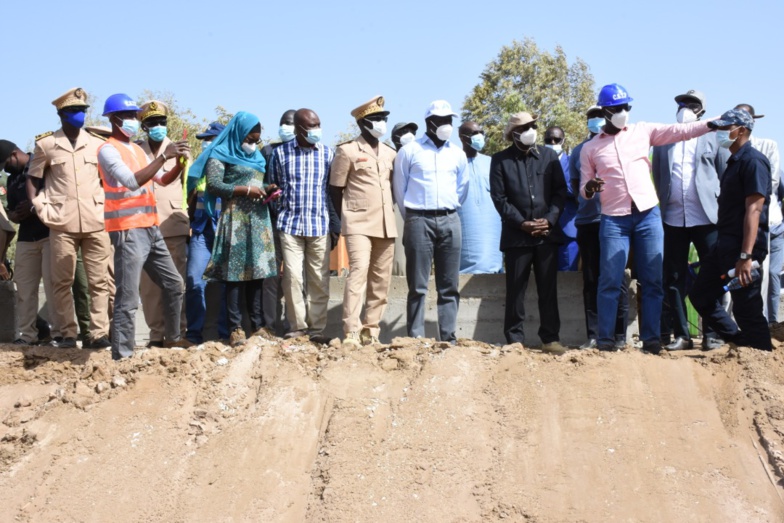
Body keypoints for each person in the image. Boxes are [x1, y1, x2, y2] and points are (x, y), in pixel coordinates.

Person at [580, 83, 716, 354]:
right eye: (618, 108)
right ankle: (606, 340)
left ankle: (652, 340)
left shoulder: (643, 131)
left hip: (648, 216)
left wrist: (715, 123)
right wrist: (590, 188)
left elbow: (682, 131)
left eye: (627, 107)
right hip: (614, 220)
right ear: (605, 111)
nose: (624, 112)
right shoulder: (590, 149)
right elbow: (583, 190)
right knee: (610, 280)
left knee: (653, 280)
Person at [96, 93, 191, 360]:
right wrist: (163, 157)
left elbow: (161, 180)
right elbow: (130, 181)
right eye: (127, 116)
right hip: (127, 230)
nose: (133, 121)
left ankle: (172, 339)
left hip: (150, 228)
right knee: (127, 297)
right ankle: (123, 356)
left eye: (133, 116)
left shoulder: (137, 150)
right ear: (114, 119)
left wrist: (178, 163)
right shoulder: (108, 150)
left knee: (173, 284)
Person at [28, 88, 112, 349]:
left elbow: (106, 180)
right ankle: (66, 333)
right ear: (61, 114)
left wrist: (106, 206)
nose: (79, 115)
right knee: (61, 281)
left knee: (99, 281)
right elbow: (33, 178)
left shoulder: (98, 144)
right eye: (73, 111)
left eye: (82, 111)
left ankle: (99, 334)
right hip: (62, 222)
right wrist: (39, 205)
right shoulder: (46, 144)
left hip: (96, 220)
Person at [651, 90, 729, 351]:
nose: (685, 107)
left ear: (701, 112)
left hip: (706, 217)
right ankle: (682, 335)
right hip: (673, 219)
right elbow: (659, 177)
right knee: (673, 279)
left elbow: (724, 174)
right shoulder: (664, 140)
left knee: (712, 276)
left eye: (692, 104)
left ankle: (711, 334)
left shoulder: (713, 138)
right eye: (682, 103)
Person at [688, 109, 772, 351]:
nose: (721, 133)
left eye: (726, 128)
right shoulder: (733, 162)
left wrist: (746, 257)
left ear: (742, 130)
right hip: (724, 245)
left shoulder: (753, 161)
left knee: (747, 310)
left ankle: (761, 363)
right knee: (701, 295)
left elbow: (754, 210)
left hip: (742, 250)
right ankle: (738, 341)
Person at [200, 112, 280, 346]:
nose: (253, 144)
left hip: (257, 219)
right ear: (238, 133)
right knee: (234, 275)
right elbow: (214, 185)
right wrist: (245, 190)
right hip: (235, 219)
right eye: (250, 139)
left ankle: (257, 325)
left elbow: (257, 183)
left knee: (257, 274)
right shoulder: (220, 153)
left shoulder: (256, 156)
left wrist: (267, 187)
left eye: (256, 140)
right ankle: (235, 328)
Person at [490, 112, 567, 352]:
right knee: (515, 290)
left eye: (534, 126)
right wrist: (522, 223)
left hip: (546, 235)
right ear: (513, 133)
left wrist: (550, 219)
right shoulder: (500, 160)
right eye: (525, 127)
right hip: (516, 237)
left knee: (548, 289)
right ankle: (514, 340)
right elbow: (500, 199)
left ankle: (550, 338)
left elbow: (560, 192)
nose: (531, 130)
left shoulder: (549, 156)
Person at [392, 100, 468, 343]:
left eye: (450, 120)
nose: (447, 125)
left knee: (449, 285)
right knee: (418, 285)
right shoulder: (410, 151)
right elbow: (400, 190)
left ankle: (448, 336)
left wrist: (447, 210)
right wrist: (414, 219)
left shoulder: (457, 153)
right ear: (429, 122)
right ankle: (416, 338)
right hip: (418, 220)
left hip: (450, 219)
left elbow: (462, 189)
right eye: (442, 120)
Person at [329, 96, 398, 347]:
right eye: (377, 119)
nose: (383, 123)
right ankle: (351, 330)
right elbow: (336, 189)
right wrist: (343, 218)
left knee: (381, 279)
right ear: (363, 123)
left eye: (384, 118)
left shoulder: (391, 153)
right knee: (357, 274)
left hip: (385, 223)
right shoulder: (347, 150)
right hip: (358, 223)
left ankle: (371, 330)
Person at [269, 108, 339, 343]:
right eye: (312, 126)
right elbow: (275, 189)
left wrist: (335, 225)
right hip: (290, 226)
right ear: (299, 129)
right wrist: (280, 215)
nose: (317, 130)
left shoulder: (328, 154)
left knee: (319, 280)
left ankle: (317, 329)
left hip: (319, 226)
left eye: (319, 125)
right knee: (293, 279)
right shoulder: (280, 154)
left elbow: (331, 192)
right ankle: (298, 327)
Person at [569, 106, 629, 350]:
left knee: (618, 279)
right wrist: (588, 191)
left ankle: (620, 335)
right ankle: (594, 335)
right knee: (592, 280)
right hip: (589, 223)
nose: (595, 121)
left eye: (599, 116)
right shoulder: (579, 151)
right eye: (590, 117)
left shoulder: (621, 144)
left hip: (616, 220)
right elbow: (576, 187)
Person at [136, 101, 190, 346]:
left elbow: (190, 186)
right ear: (144, 126)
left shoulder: (180, 149)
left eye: (162, 122)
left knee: (177, 283)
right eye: (152, 123)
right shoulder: (136, 151)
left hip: (172, 225)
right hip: (143, 224)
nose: (158, 127)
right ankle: (156, 336)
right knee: (149, 287)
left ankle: (177, 334)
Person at [1, 141, 57, 344]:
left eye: (5, 163)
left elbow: (56, 193)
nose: (4, 169)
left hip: (49, 234)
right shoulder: (12, 178)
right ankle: (28, 336)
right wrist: (16, 214)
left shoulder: (41, 164)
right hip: (26, 238)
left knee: (54, 287)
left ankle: (58, 334)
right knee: (24, 288)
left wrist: (34, 207)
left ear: (14, 155)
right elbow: (13, 212)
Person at [733, 104, 781, 323]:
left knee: (762, 275)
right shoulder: (729, 149)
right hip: (735, 222)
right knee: (734, 274)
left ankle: (765, 323)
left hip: (764, 221)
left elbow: (768, 186)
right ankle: (734, 324)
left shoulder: (766, 146)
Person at [185, 121, 229, 344]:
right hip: (201, 231)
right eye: (204, 141)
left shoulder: (232, 168)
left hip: (224, 232)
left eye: (211, 140)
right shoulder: (198, 169)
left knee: (224, 284)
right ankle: (193, 334)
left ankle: (224, 333)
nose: (206, 144)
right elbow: (190, 199)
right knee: (194, 280)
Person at [260, 109, 296, 335]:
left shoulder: (304, 152)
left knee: (294, 276)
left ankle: (293, 324)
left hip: (294, 223)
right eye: (284, 122)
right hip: (271, 223)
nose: (286, 127)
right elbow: (262, 183)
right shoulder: (267, 151)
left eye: (290, 123)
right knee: (270, 277)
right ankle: (270, 325)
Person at [457, 121, 502, 274]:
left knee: (493, 257)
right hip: (463, 222)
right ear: (462, 138)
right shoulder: (453, 162)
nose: (480, 136)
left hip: (492, 224)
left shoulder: (492, 162)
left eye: (481, 132)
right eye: (474, 133)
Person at [545, 126, 578, 271]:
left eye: (557, 139)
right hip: (544, 229)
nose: (553, 142)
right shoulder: (538, 162)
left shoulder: (573, 161)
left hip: (568, 228)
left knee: (569, 274)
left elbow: (576, 188)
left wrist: (554, 186)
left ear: (563, 140)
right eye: (548, 140)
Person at [390, 121, 419, 278]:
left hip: (419, 210)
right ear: (395, 138)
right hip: (396, 209)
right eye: (405, 131)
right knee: (399, 260)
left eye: (412, 131)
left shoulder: (421, 157)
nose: (410, 135)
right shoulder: (389, 157)